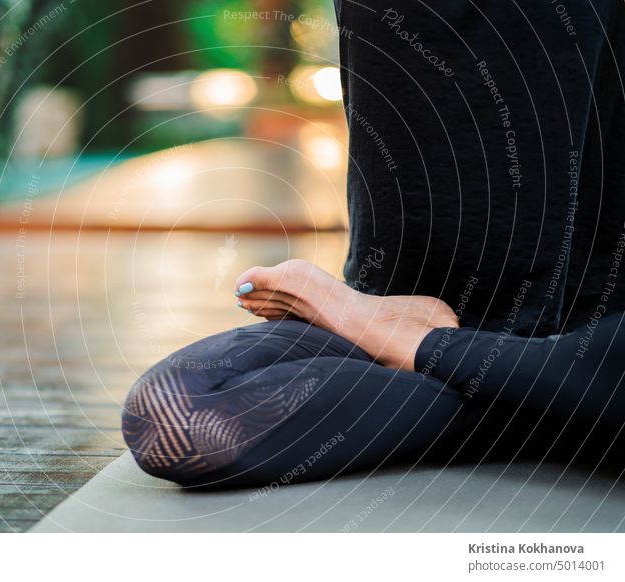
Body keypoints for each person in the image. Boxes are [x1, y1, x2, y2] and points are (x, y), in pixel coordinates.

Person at [121, 0, 625, 487]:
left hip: (554, 346)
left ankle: (544, 401)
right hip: (399, 315)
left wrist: (423, 343)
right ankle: (549, 401)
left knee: (180, 421)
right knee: (173, 412)